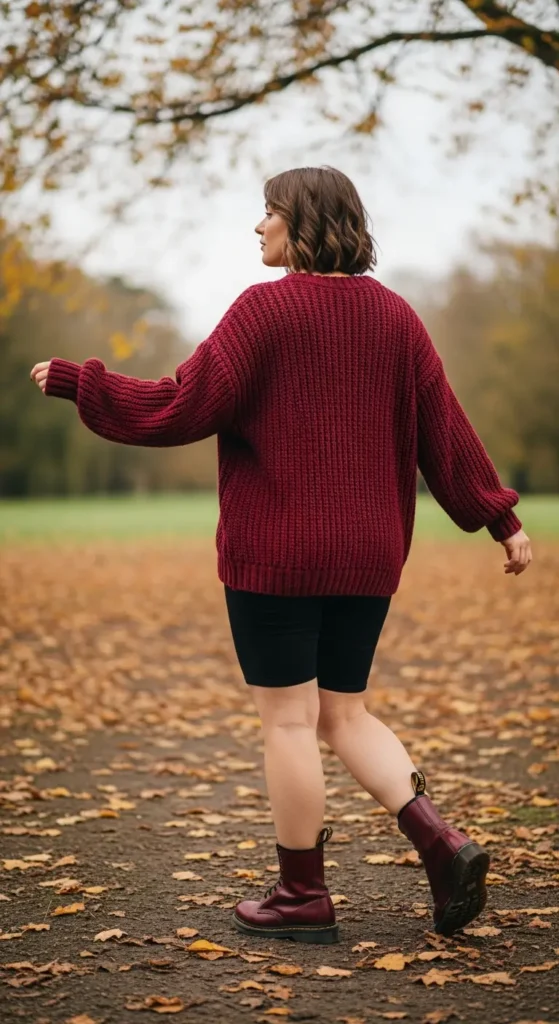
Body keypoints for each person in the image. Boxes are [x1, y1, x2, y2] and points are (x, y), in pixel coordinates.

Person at [31, 165, 532, 946]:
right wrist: (499, 519)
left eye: (267, 213)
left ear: (303, 222)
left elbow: (177, 405)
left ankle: (302, 896)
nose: (256, 227)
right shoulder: (396, 319)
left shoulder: (262, 313)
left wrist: (79, 382)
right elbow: (445, 429)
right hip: (368, 554)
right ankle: (442, 844)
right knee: (346, 712)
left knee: (292, 723)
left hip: (278, 555)